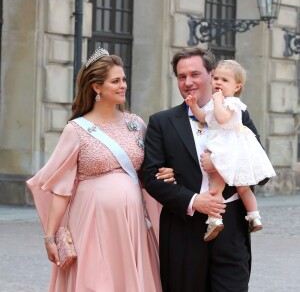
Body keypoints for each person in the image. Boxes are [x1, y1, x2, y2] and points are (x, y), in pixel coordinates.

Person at [26, 47, 175, 292]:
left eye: (124, 79)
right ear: (96, 87)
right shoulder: (76, 130)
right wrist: (50, 237)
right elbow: (61, 191)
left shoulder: (135, 124)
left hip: (132, 224)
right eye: (115, 81)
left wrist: (168, 173)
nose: (123, 85)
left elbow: (149, 172)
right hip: (91, 221)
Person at [142, 47, 270, 292]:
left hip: (231, 227)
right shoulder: (161, 122)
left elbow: (259, 170)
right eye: (181, 76)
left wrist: (222, 162)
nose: (188, 82)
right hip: (182, 231)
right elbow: (150, 177)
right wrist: (193, 200)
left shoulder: (237, 114)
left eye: (195, 74)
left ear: (212, 76)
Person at [185, 59, 276, 242]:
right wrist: (194, 105)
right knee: (215, 187)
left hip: (230, 149)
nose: (218, 82)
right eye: (216, 78)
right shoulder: (213, 103)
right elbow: (205, 118)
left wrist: (218, 101)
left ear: (236, 87)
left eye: (225, 80)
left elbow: (222, 118)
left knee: (243, 188)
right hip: (219, 146)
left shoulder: (233, 103)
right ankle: (215, 220)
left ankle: (253, 215)